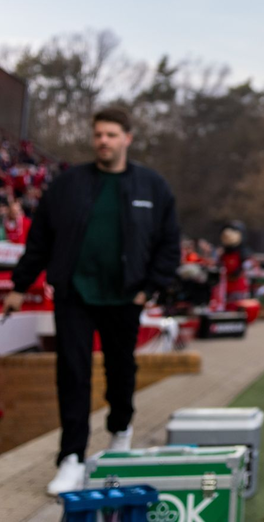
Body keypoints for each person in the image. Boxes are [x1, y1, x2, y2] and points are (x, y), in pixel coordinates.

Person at [4, 108, 180, 495]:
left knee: (121, 370)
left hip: (125, 295)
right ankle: (71, 456)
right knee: (72, 372)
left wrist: (149, 288)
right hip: (74, 293)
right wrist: (19, 285)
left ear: (127, 138)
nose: (104, 141)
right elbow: (40, 240)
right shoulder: (68, 184)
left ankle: (120, 432)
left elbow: (169, 243)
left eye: (111, 134)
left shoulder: (152, 186)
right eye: (99, 134)